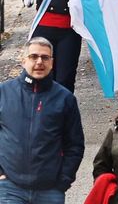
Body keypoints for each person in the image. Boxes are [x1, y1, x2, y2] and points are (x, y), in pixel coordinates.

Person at [0, 37, 85, 203]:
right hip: (9, 188)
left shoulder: (65, 98)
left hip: (50, 190)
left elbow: (75, 144)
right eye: (34, 56)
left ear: (52, 62)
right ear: (23, 60)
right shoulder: (3, 93)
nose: (39, 62)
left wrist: (64, 179)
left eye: (45, 57)